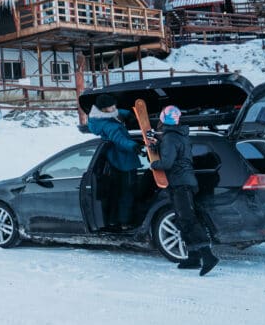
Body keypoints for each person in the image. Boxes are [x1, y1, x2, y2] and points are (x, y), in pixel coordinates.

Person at [149, 105, 219, 276]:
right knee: (183, 219)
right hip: (186, 182)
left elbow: (167, 163)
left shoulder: (170, 138)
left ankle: (207, 256)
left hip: (180, 184)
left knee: (188, 220)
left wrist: (153, 164)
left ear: (163, 119)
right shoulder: (179, 135)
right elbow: (176, 155)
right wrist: (158, 146)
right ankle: (193, 257)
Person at [87, 93, 143, 230]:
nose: (114, 108)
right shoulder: (110, 126)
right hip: (124, 161)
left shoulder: (98, 117)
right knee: (127, 193)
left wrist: (128, 114)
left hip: (115, 160)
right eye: (111, 107)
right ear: (104, 109)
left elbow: (117, 112)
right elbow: (119, 140)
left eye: (114, 105)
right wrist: (134, 146)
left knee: (118, 191)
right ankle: (125, 222)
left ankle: (114, 220)